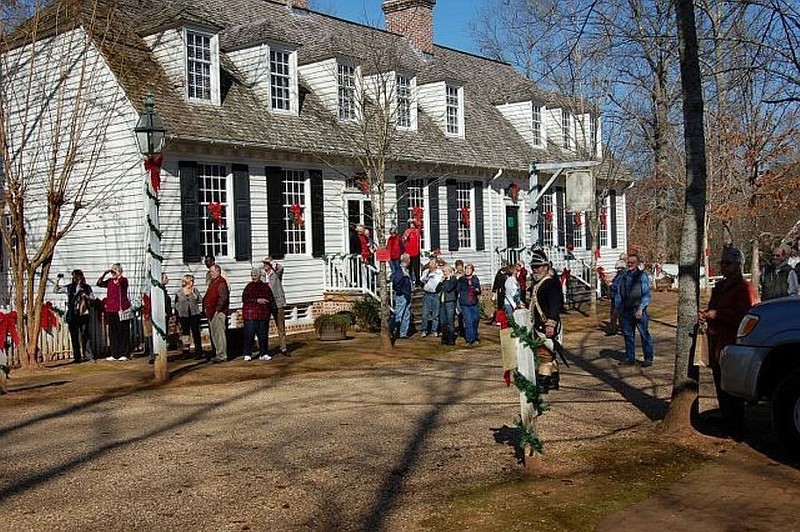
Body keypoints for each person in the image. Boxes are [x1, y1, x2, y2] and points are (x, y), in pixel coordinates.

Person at [700, 245, 759, 437]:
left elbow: (746, 315)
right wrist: (706, 315)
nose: (724, 266)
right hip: (717, 341)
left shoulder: (744, 287)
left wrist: (717, 315)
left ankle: (735, 425)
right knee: (719, 382)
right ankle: (726, 418)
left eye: (728, 263)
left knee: (732, 387)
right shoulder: (720, 287)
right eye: (722, 262)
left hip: (733, 342)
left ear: (738, 265)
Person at [529, 249, 564, 391]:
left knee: (544, 355)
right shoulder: (539, 283)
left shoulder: (550, 283)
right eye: (533, 267)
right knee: (549, 354)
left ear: (546, 267)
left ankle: (543, 384)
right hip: (539, 325)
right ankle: (553, 381)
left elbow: (555, 305)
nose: (535, 270)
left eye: (538, 267)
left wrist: (551, 324)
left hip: (546, 325)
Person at [615, 253, 655, 367]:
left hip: (638, 310)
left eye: (633, 262)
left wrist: (641, 309)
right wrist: (618, 308)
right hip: (626, 310)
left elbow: (646, 295)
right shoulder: (623, 276)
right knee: (628, 335)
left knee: (644, 334)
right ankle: (630, 357)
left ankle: (648, 358)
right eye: (629, 262)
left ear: (637, 264)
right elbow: (618, 293)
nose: (630, 264)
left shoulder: (642, 276)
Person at [54, 269, 95, 363]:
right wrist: (57, 280)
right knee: (74, 337)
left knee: (85, 336)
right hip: (73, 314)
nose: (75, 278)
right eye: (74, 277)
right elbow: (56, 290)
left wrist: (87, 297)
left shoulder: (87, 287)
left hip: (83, 314)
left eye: (77, 276)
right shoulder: (69, 287)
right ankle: (77, 357)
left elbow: (93, 299)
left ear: (81, 277)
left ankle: (88, 355)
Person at [97, 263, 132, 359]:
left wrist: (118, 274)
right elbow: (99, 283)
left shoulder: (123, 280)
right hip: (111, 309)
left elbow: (121, 282)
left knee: (123, 331)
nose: (113, 272)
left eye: (114, 270)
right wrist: (104, 274)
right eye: (112, 270)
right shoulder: (109, 281)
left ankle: (124, 353)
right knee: (113, 332)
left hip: (121, 309)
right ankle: (114, 353)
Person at [242, 267, 273, 361]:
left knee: (263, 335)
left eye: (255, 275)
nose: (253, 277)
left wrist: (266, 301)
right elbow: (245, 299)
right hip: (250, 315)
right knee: (249, 335)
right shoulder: (249, 287)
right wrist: (256, 300)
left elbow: (270, 298)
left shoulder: (265, 287)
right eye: (252, 275)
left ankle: (263, 353)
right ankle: (247, 353)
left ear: (259, 276)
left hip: (263, 315)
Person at [262, 256, 288, 356]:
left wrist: (273, 262)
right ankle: (265, 349)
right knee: (265, 327)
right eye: (263, 263)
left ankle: (283, 348)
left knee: (280, 326)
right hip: (267, 304)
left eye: (266, 263)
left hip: (278, 303)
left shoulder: (276, 274)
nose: (264, 265)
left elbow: (281, 268)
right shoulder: (263, 276)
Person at [174, 274, 204, 359]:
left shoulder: (195, 290)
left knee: (196, 333)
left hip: (194, 314)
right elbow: (176, 304)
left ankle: (198, 351)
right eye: (191, 281)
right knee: (185, 333)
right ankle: (186, 351)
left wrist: (194, 294)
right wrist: (178, 313)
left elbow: (200, 300)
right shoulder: (179, 292)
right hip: (184, 316)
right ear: (187, 281)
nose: (193, 282)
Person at [204, 264, 229, 363]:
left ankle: (222, 355)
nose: (211, 274)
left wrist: (217, 310)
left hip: (218, 313)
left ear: (218, 272)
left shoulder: (221, 282)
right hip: (211, 312)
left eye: (213, 272)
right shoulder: (213, 282)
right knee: (215, 334)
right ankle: (218, 353)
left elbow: (223, 298)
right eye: (210, 272)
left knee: (219, 334)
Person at [457, 263, 481, 345]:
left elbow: (479, 290)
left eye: (469, 269)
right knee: (468, 321)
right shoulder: (461, 279)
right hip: (465, 303)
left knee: (475, 320)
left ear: (472, 271)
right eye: (466, 269)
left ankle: (475, 337)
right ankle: (470, 340)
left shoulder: (475, 279)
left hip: (474, 302)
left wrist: (476, 290)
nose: (467, 271)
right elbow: (458, 290)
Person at [419, 257, 443, 337]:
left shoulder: (439, 272)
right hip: (427, 294)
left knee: (435, 314)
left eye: (433, 263)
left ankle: (434, 330)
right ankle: (424, 330)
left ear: (436, 264)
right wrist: (427, 276)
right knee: (425, 314)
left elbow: (440, 281)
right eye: (430, 263)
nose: (431, 265)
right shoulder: (426, 272)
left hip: (436, 294)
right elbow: (421, 280)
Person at [392, 253, 413, 339]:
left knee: (406, 314)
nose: (410, 262)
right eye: (409, 260)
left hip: (407, 295)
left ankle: (403, 333)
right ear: (406, 261)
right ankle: (394, 331)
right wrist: (401, 292)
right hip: (402, 295)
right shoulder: (399, 271)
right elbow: (396, 283)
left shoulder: (406, 270)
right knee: (399, 314)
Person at [605, 259, 627, 336]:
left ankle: (622, 330)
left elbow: (618, 286)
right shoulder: (619, 274)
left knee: (618, 314)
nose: (617, 269)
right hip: (615, 296)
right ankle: (613, 329)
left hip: (619, 297)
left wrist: (611, 284)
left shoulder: (623, 275)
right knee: (613, 314)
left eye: (618, 267)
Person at [439, 264, 458, 345]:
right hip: (442, 302)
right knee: (443, 321)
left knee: (450, 321)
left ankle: (451, 339)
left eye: (445, 271)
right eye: (443, 271)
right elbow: (437, 289)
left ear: (450, 271)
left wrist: (446, 280)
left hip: (450, 302)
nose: (444, 273)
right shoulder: (444, 280)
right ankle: (444, 338)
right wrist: (440, 282)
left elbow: (449, 288)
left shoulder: (453, 279)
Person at [403, 219, 421, 285]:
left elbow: (419, 224)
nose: (412, 225)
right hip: (409, 253)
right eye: (411, 224)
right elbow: (403, 239)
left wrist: (414, 220)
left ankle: (417, 281)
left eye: (413, 224)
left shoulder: (417, 231)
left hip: (416, 252)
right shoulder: (407, 231)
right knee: (409, 268)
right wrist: (405, 237)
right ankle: (409, 281)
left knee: (416, 268)